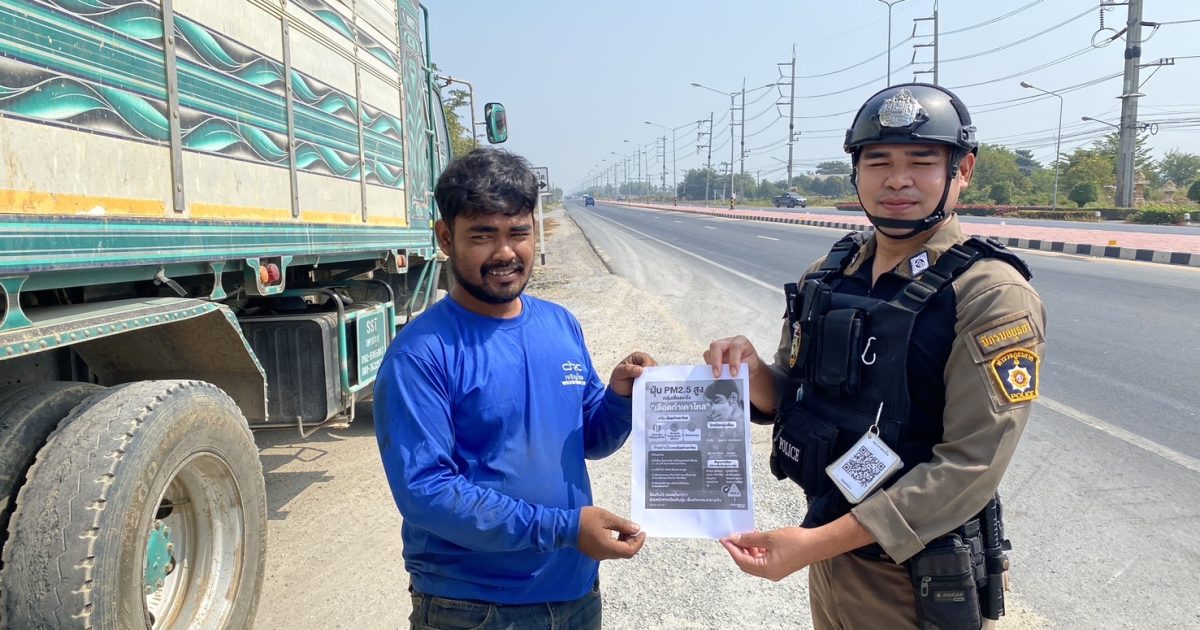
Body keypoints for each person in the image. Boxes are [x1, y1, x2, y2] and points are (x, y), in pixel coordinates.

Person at [705, 83, 1046, 629]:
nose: (897, 179)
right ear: (856, 172)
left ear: (962, 170)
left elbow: (969, 465)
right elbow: (792, 393)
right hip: (831, 555)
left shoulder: (989, 294)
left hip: (915, 578)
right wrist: (749, 372)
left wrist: (815, 543)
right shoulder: (828, 275)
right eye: (878, 161)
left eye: (921, 162)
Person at [373, 147, 653, 630]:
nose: (505, 252)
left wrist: (619, 396)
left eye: (518, 233)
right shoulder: (420, 355)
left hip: (576, 593)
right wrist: (565, 527)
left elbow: (590, 439)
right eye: (483, 235)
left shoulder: (560, 324)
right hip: (473, 608)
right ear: (445, 238)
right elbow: (426, 493)